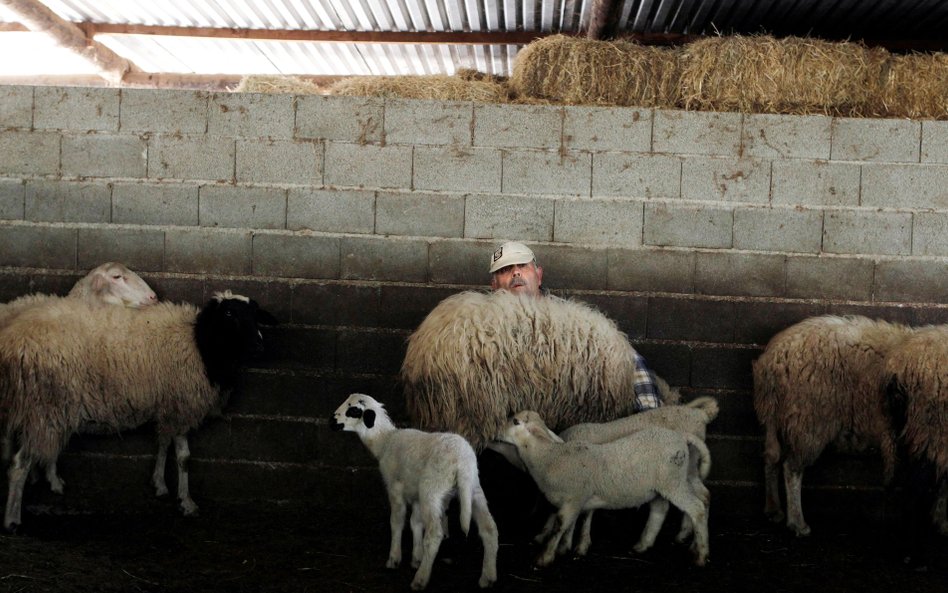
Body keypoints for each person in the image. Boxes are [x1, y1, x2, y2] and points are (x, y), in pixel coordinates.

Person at [488, 240, 663, 411]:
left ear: (539, 276)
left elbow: (624, 356)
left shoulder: (570, 319)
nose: (516, 273)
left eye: (523, 266)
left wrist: (649, 411)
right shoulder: (485, 327)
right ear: (494, 285)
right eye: (506, 270)